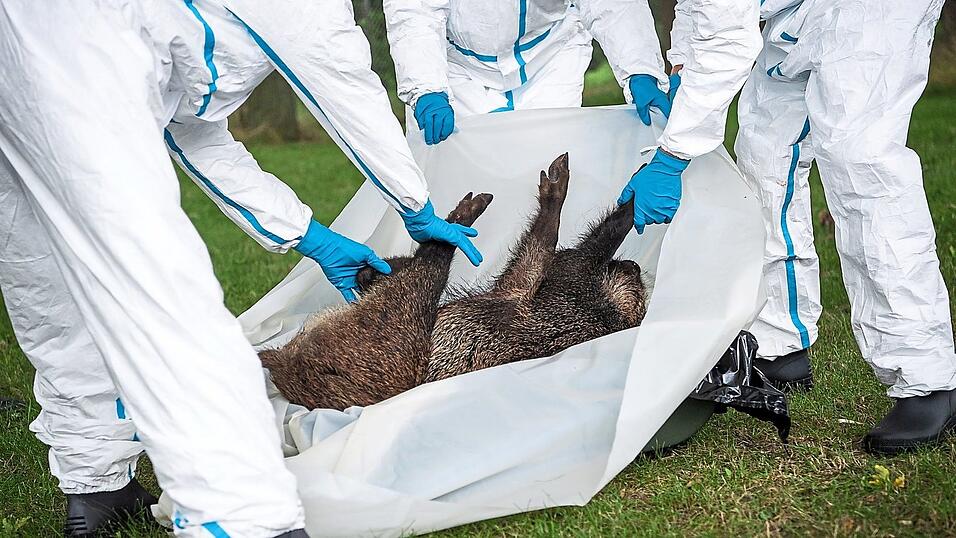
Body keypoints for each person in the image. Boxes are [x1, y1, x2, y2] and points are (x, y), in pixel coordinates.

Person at [0, 1, 479, 536]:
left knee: (43, 283)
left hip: (23, 54)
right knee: (157, 288)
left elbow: (189, 129)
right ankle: (245, 518)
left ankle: (96, 487)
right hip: (76, 58)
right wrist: (415, 206)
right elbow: (339, 74)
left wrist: (313, 237)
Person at [733, 0, 956, 454]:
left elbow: (710, 26)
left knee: (861, 163)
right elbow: (703, 21)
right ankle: (780, 345)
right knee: (762, 161)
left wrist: (678, 146)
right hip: (782, 15)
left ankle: (926, 378)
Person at [386, 0, 672, 144]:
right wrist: (426, 86)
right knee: (452, 185)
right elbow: (414, 9)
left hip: (550, 56)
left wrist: (639, 68)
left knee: (550, 178)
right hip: (458, 67)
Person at [617, 0, 762, 233]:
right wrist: (680, 69)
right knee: (769, 170)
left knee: (841, 164)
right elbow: (694, 7)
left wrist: (670, 159)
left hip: (832, 24)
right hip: (780, 25)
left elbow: (728, 39)